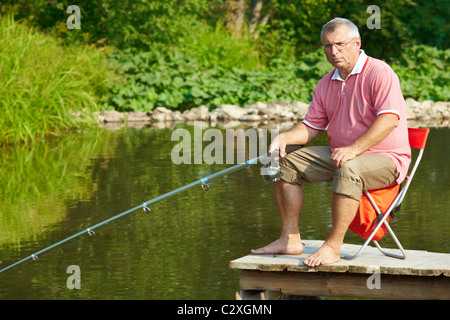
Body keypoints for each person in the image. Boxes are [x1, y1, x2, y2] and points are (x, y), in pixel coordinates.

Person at [251, 17, 411, 267]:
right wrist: (284, 137)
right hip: (342, 153)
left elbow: (389, 119)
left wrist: (354, 149)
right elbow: (311, 127)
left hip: (387, 159)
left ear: (357, 42)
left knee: (350, 168)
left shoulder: (379, 72)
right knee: (287, 164)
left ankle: (333, 246)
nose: (333, 51)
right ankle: (290, 240)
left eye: (340, 44)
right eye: (327, 46)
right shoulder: (326, 83)